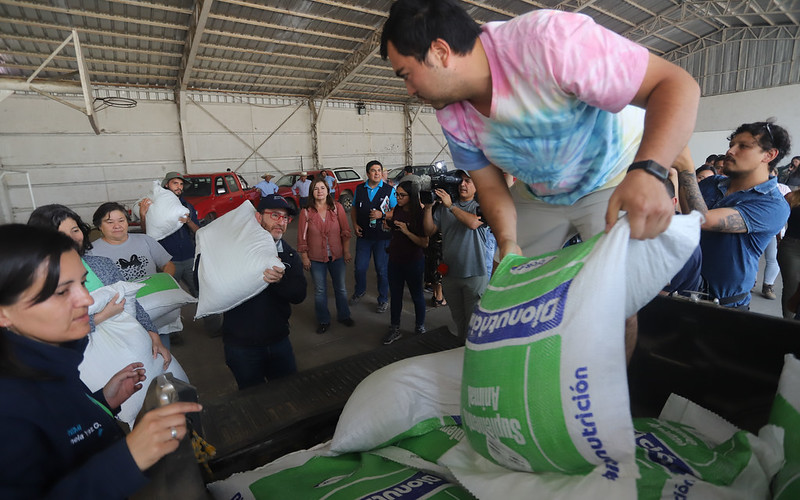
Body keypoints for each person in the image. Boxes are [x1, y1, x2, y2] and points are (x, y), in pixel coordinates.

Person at [381, 0, 700, 261]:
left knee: (618, 300)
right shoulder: (451, 111)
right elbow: (490, 187)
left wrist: (647, 172)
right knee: (509, 281)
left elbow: (676, 85)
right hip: (540, 193)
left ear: (440, 52)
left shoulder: (547, 42)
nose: (409, 90)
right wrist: (507, 239)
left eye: (406, 74)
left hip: (613, 178)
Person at [0, 224, 201, 499]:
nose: (85, 298)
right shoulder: (8, 408)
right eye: (61, 292)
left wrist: (103, 401)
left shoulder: (51, 362)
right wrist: (129, 458)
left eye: (82, 283)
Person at [27, 204, 169, 367]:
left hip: (126, 344)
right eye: (60, 234)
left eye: (75, 230)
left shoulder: (102, 264)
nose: (72, 238)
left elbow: (132, 301)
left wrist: (153, 334)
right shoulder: (37, 280)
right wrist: (102, 316)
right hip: (85, 361)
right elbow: (50, 331)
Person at [674, 120, 791, 310]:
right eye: (731, 145)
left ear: (769, 155)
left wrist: (686, 168)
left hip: (722, 305)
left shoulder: (773, 205)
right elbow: (689, 218)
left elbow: (702, 220)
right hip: (680, 289)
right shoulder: (711, 184)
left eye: (743, 146)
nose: (730, 151)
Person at [221, 195, 306, 390]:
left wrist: (280, 281)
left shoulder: (289, 255)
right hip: (241, 345)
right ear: (259, 218)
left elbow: (299, 294)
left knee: (289, 391)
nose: (281, 222)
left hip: (278, 341)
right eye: (275, 215)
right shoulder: (234, 249)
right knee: (253, 399)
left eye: (285, 218)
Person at [89, 202, 175, 347]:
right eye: (109, 222)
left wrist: (163, 283)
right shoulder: (91, 252)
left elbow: (168, 265)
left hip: (156, 308)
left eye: (121, 220)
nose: (117, 226)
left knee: (161, 351)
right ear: (99, 226)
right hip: (121, 315)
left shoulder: (145, 240)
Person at [423, 170, 489, 341]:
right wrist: (429, 208)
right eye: (461, 181)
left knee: (474, 322)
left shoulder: (480, 207)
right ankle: (461, 350)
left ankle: (471, 356)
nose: (463, 184)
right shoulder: (444, 207)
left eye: (468, 181)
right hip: (450, 274)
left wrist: (451, 206)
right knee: (459, 320)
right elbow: (429, 230)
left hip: (474, 275)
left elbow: (473, 223)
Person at [298, 178, 354, 334]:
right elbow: (302, 237)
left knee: (341, 288)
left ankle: (344, 316)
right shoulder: (306, 212)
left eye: (322, 188)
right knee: (320, 291)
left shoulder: (337, 208)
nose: (320, 191)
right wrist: (305, 257)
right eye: (316, 189)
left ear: (328, 190)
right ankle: (323, 320)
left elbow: (346, 231)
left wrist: (347, 251)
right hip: (316, 259)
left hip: (337, 256)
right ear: (312, 192)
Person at [140, 172, 200, 297]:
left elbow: (198, 231)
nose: (179, 187)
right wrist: (143, 215)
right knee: (169, 294)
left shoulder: (187, 206)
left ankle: (210, 317)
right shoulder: (154, 206)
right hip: (169, 261)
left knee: (200, 291)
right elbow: (147, 235)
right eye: (175, 183)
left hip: (190, 258)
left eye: (181, 184)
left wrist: (188, 221)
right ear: (166, 185)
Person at [383, 180, 429, 345]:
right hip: (395, 260)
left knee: (417, 295)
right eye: (397, 195)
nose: (398, 198)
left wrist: (406, 231)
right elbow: (396, 231)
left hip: (413, 262)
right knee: (395, 296)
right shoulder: (398, 210)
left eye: (402, 195)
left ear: (412, 196)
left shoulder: (421, 214)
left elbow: (424, 243)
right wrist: (390, 226)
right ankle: (395, 328)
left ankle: (419, 326)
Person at [350, 160, 397, 313]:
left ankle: (383, 299)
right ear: (367, 173)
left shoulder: (389, 190)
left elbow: (396, 210)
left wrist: (382, 214)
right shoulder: (360, 189)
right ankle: (360, 290)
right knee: (359, 268)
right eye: (373, 170)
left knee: (382, 270)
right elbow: (354, 209)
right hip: (364, 236)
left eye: (379, 170)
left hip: (382, 237)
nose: (377, 173)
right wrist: (355, 225)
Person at [778, 189, 800, 319]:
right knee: (791, 286)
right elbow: (777, 218)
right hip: (791, 246)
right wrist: (778, 239)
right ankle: (788, 324)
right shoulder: (792, 196)